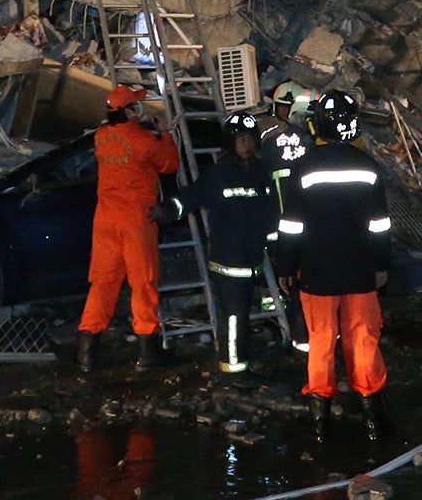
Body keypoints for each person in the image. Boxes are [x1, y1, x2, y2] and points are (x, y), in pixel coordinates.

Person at [274, 90, 393, 443]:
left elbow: (291, 225)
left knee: (321, 341)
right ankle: (372, 414)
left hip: (316, 272)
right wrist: (381, 263)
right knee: (363, 339)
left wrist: (285, 265)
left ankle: (320, 420)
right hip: (360, 271)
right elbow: (380, 224)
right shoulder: (367, 166)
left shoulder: (304, 167)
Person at [155, 111, 278, 373]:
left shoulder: (261, 172)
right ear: (230, 143)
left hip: (252, 260)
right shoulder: (219, 174)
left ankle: (242, 359)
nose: (246, 144)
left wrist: (278, 246)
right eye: (240, 139)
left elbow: (271, 211)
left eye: (249, 139)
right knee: (233, 317)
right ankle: (234, 368)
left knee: (242, 315)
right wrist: (166, 210)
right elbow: (192, 196)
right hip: (228, 262)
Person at [76, 87, 180, 371]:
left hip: (105, 221)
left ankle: (86, 352)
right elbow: (169, 165)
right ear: (129, 111)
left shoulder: (102, 137)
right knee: (143, 283)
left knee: (102, 284)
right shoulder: (143, 140)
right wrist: (166, 133)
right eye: (136, 104)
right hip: (136, 221)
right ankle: (148, 353)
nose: (140, 107)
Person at [260, 81, 316, 351]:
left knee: (297, 275)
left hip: (299, 218)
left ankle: (298, 330)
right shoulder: (267, 132)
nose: (286, 112)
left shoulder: (308, 135)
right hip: (275, 214)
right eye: (283, 106)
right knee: (276, 267)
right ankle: (274, 318)